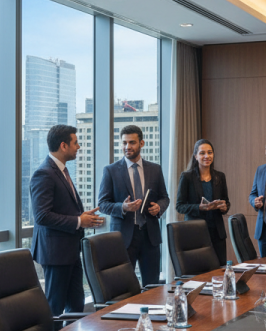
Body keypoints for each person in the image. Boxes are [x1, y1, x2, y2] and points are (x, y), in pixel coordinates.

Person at [30, 124, 104, 316]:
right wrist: (79, 221)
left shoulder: (62, 170)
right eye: (75, 143)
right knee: (55, 309)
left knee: (76, 307)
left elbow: (62, 207)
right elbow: (42, 216)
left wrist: (82, 216)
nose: (78, 147)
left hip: (70, 250)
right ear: (63, 145)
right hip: (56, 254)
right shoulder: (44, 173)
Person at [97, 124, 170, 286]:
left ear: (141, 143)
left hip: (150, 236)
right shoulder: (111, 171)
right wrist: (122, 208)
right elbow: (102, 204)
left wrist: (159, 207)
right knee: (122, 286)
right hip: (123, 238)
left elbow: (165, 198)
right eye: (124, 143)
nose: (127, 147)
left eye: (132, 142)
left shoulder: (155, 169)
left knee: (152, 287)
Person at [176, 139, 230, 265]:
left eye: (210, 152)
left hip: (217, 233)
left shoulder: (220, 176)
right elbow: (180, 206)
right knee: (199, 272)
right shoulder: (187, 177)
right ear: (195, 156)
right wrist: (198, 207)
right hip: (196, 232)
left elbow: (226, 202)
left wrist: (223, 207)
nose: (207, 156)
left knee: (219, 270)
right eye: (202, 153)